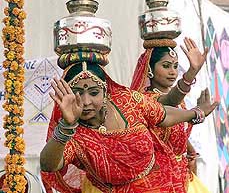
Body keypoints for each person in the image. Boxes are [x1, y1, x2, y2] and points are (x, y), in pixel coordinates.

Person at [40, 60, 218, 193]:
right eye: (78, 94)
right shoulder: (74, 134)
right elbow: (48, 165)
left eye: (94, 93)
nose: (86, 102)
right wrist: (66, 126)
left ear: (106, 91)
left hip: (163, 185)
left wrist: (196, 113)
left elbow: (163, 114)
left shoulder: (128, 102)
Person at [130, 37, 210, 191]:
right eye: (166, 66)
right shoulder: (146, 99)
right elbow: (169, 101)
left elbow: (173, 130)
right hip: (156, 180)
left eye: (175, 66)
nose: (173, 72)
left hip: (180, 175)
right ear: (149, 69)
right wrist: (192, 72)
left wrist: (189, 149)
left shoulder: (180, 102)